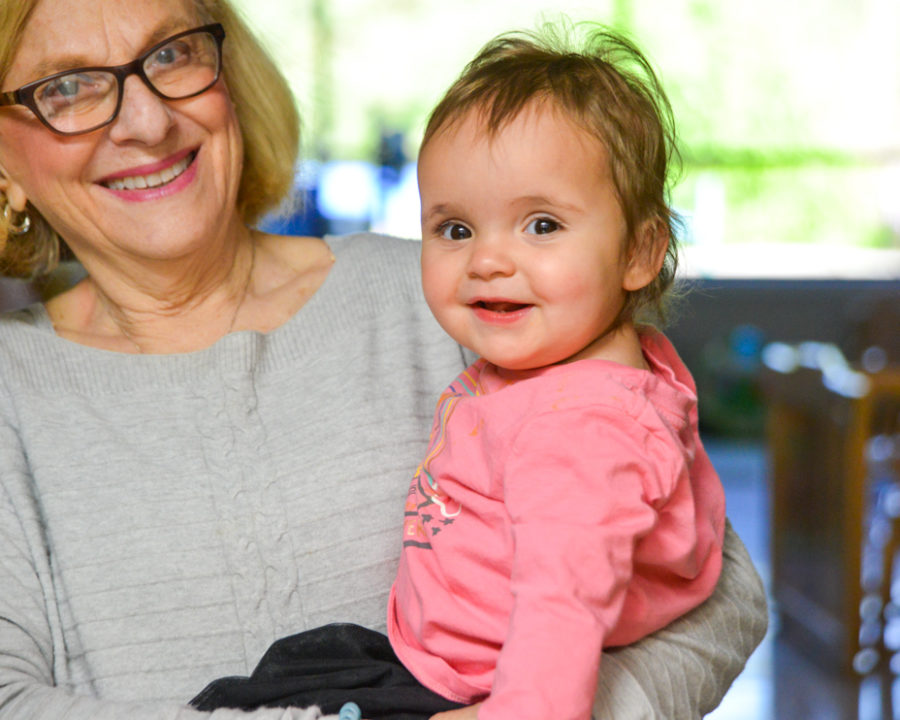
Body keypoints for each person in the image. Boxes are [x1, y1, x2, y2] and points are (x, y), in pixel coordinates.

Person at [0, 0, 767, 719]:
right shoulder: (13, 389)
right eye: (66, 88)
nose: (145, 119)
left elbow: (716, 593)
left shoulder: (469, 297)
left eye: (171, 54)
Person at [192, 24, 730, 720]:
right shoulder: (579, 364)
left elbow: (559, 620)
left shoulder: (583, 434)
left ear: (640, 251)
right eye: (455, 229)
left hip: (478, 691)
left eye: (541, 225)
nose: (487, 260)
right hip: (433, 655)